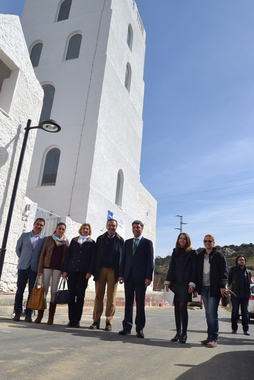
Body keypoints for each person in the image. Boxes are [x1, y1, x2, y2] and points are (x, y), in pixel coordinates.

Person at [118, 220, 154, 338]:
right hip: (128, 276)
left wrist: (148, 277)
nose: (136, 229)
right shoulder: (127, 243)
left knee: (139, 303)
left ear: (142, 229)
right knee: (128, 302)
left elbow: (150, 261)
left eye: (138, 227)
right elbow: (123, 260)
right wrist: (121, 274)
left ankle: (140, 329)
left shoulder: (147, 243)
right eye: (134, 227)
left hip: (141, 278)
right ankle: (126, 327)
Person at [90, 219, 124, 331]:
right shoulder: (100, 239)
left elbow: (123, 259)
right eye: (109, 225)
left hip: (113, 272)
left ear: (116, 227)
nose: (111, 227)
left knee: (111, 298)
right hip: (100, 271)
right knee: (98, 297)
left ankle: (109, 322)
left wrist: (121, 274)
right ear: (106, 226)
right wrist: (92, 270)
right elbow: (94, 256)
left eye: (113, 226)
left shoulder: (120, 240)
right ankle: (96, 321)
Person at [196, 234, 228, 348]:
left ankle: (214, 338)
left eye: (209, 241)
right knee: (207, 313)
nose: (207, 243)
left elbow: (224, 271)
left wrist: (223, 285)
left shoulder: (219, 256)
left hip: (214, 288)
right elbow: (196, 271)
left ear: (213, 243)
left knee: (212, 313)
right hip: (203, 287)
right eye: (205, 241)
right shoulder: (200, 256)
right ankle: (209, 337)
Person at [164, 233, 196, 343]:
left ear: (187, 241)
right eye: (180, 238)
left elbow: (194, 269)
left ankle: (184, 334)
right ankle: (178, 333)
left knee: (183, 307)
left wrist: (192, 283)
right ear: (178, 240)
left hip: (185, 284)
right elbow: (170, 267)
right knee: (176, 308)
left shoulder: (192, 253)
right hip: (175, 283)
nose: (182, 240)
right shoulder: (175, 252)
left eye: (184, 239)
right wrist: (167, 282)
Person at [62, 223, 95, 327]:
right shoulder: (74, 241)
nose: (85, 230)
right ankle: (71, 319)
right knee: (71, 295)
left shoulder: (92, 243)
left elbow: (93, 259)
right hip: (72, 271)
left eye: (87, 229)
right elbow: (68, 255)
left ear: (89, 231)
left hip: (83, 273)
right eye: (84, 228)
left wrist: (89, 271)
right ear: (80, 230)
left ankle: (77, 320)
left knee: (80, 296)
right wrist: (65, 270)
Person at [13, 218, 46, 322]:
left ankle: (28, 314)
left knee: (32, 292)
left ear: (43, 227)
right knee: (20, 290)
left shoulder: (43, 239)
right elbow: (18, 249)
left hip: (34, 268)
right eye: (37, 224)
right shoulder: (24, 236)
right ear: (33, 224)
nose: (39, 226)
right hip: (23, 266)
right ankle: (17, 313)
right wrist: (23, 258)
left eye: (41, 225)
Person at [36, 222, 69, 325]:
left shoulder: (66, 242)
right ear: (56, 229)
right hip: (47, 267)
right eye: (60, 228)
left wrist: (65, 270)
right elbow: (43, 254)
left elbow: (67, 257)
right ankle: (40, 315)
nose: (61, 231)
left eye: (63, 229)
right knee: (44, 290)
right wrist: (40, 269)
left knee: (54, 291)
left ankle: (51, 317)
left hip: (58, 269)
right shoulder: (49, 239)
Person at [228, 255, 252, 335]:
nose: (241, 261)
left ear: (245, 261)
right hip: (235, 295)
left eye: (243, 260)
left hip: (245, 295)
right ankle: (234, 329)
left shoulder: (248, 271)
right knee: (235, 312)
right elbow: (229, 280)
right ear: (237, 261)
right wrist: (230, 290)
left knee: (245, 313)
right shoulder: (233, 270)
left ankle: (245, 330)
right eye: (240, 259)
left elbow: (249, 284)